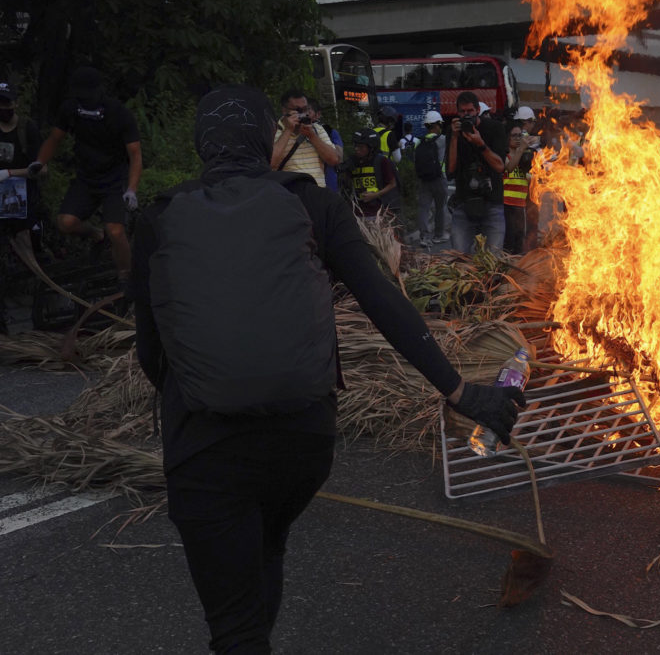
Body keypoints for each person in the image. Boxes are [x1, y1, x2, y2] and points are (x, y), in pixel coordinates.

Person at [131, 85, 524, 654]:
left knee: (235, 627)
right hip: (302, 441)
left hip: (206, 447)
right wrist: (460, 390)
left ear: (200, 147)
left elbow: (151, 351)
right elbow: (385, 302)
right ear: (269, 138)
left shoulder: (159, 219)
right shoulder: (314, 202)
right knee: (267, 546)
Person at [35, 66, 142, 293]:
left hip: (114, 178)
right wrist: (40, 162)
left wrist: (131, 189)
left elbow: (135, 154)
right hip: (86, 177)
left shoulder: (119, 113)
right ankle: (96, 235)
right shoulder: (71, 109)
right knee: (66, 222)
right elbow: (55, 138)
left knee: (116, 230)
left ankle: (127, 278)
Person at [0, 81, 44, 333]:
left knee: (28, 254)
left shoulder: (27, 129)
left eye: (6, 102)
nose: (3, 107)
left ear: (15, 102)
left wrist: (19, 173)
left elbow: (40, 167)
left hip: (22, 202)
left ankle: (39, 311)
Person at [447, 91, 508, 254]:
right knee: (459, 257)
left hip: (492, 202)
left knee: (493, 258)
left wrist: (480, 144)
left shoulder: (495, 128)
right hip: (463, 201)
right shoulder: (454, 131)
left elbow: (500, 167)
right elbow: (450, 170)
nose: (466, 116)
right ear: (457, 112)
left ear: (478, 110)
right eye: (462, 112)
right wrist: (454, 137)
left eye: (470, 111)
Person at [270, 89, 339, 188]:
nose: (302, 113)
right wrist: (288, 131)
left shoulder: (317, 130)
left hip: (317, 192)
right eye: (297, 110)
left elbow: (333, 160)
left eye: (305, 109)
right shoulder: (273, 131)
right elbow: (271, 163)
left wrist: (312, 136)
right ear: (284, 111)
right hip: (289, 194)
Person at [341, 128, 399, 221]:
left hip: (378, 213)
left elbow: (392, 184)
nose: (357, 149)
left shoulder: (381, 161)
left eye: (361, 147)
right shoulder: (352, 162)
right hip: (357, 213)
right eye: (355, 146)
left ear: (371, 148)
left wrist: (375, 195)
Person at [414, 111, 448, 247]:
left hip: (424, 179)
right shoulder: (443, 140)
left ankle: (424, 237)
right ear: (438, 124)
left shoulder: (419, 142)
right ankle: (438, 236)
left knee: (424, 208)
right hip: (440, 178)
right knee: (440, 208)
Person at [503, 123, 533, 254]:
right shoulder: (505, 156)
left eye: (520, 135)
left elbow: (528, 178)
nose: (517, 138)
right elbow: (509, 167)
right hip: (506, 205)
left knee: (519, 241)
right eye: (514, 135)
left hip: (520, 206)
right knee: (507, 241)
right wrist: (521, 150)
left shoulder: (524, 159)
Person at [307, 99, 344, 192]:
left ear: (317, 114)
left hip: (329, 183)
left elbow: (339, 158)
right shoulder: (290, 133)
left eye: (308, 111)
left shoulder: (330, 132)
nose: (304, 115)